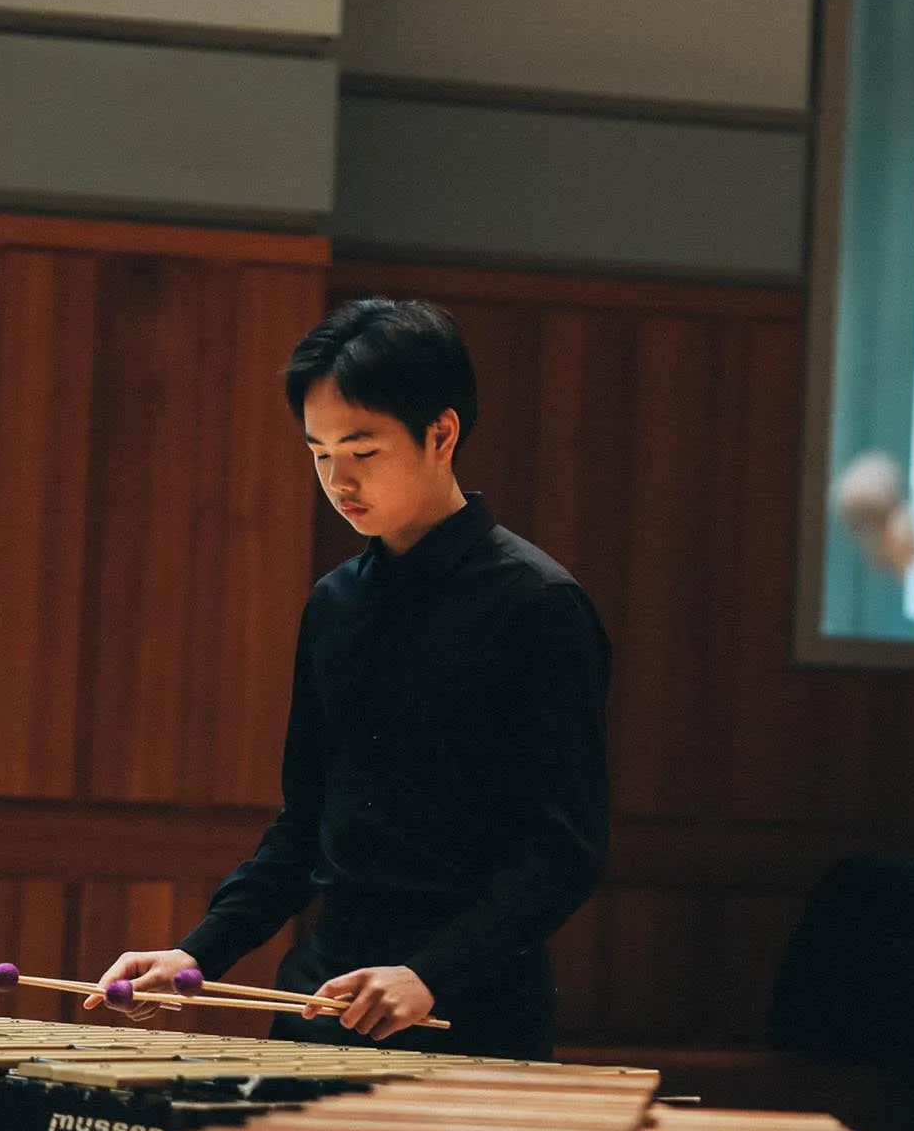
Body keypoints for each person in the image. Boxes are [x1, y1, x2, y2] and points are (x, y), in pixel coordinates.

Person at [99, 297, 610, 1060]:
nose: (338, 480)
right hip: (323, 995)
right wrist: (197, 953)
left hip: (467, 1006)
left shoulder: (537, 604)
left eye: (362, 451)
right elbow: (304, 826)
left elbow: (562, 849)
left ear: (441, 433)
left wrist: (429, 975)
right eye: (318, 451)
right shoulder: (335, 603)